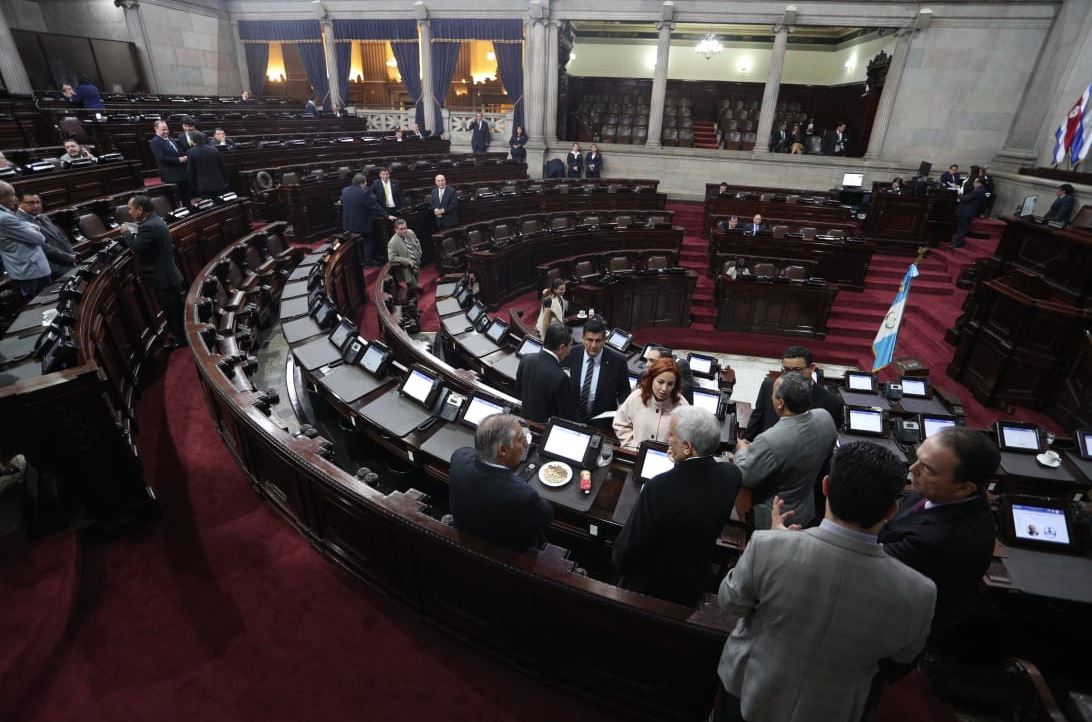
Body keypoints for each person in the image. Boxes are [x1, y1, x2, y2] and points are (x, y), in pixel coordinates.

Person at [712, 442, 936, 722]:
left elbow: (731, 601)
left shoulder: (768, 546)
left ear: (826, 486)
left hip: (749, 690)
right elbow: (902, 657)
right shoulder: (920, 592)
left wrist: (779, 539)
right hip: (833, 708)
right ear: (892, 510)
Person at [612, 406, 741, 607]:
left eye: (671, 435)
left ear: (688, 447)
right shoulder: (731, 476)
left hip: (650, 590)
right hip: (693, 584)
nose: (667, 438)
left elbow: (625, 554)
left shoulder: (659, 488)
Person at [879, 427, 998, 632]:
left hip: (900, 618)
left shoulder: (937, 541)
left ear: (964, 487)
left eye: (927, 468)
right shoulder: (944, 493)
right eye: (917, 459)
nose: (912, 468)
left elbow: (864, 563)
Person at [734, 372, 837, 530]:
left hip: (775, 517)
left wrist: (741, 450)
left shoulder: (770, 440)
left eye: (773, 394)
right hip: (806, 510)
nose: (771, 398)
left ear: (780, 403)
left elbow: (745, 475)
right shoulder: (825, 418)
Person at [448, 414, 553, 552]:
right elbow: (547, 514)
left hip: (465, 541)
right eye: (521, 440)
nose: (526, 444)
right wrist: (517, 481)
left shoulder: (459, 458)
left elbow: (470, 452)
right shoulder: (524, 495)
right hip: (510, 557)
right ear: (503, 450)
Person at [122, 194, 187, 349]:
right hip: (168, 274)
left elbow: (136, 247)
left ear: (140, 209)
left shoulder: (148, 226)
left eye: (131, 209)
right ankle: (181, 335)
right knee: (175, 309)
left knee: (172, 311)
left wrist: (125, 232)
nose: (129, 212)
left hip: (163, 277)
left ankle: (181, 339)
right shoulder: (155, 220)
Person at [742, 345, 844, 441]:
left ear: (812, 368)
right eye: (786, 370)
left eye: (798, 370)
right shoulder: (769, 387)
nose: (791, 376)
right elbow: (755, 424)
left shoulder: (831, 403)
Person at [562, 317, 631, 424]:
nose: (593, 345)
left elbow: (624, 390)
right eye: (589, 340)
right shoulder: (571, 354)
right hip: (572, 419)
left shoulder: (617, 361)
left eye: (598, 341)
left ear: (604, 340)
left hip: (603, 423)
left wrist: (622, 410)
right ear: (582, 339)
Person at [614, 357, 689, 450]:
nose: (664, 389)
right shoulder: (636, 397)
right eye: (660, 382)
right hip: (636, 454)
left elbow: (686, 438)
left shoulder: (682, 406)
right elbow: (620, 423)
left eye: (670, 384)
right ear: (652, 379)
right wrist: (633, 446)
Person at [515, 322, 578, 424]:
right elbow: (567, 416)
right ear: (562, 347)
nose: (570, 349)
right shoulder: (560, 377)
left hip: (524, 424)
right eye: (570, 345)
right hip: (544, 431)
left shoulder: (526, 359)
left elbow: (518, 389)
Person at [0, 181, 52, 299]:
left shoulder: (5, 214)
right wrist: (35, 228)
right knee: (44, 304)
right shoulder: (4, 218)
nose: (15, 199)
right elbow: (39, 238)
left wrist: (30, 227)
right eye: (12, 195)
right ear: (2, 198)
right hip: (31, 271)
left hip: (24, 270)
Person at [17, 192, 75, 278]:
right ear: (19, 204)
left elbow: (60, 237)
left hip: (65, 261)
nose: (36, 206)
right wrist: (69, 257)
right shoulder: (20, 222)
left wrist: (71, 252)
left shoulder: (42, 217)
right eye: (31, 203)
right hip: (50, 267)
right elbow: (44, 247)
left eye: (38, 202)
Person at [342, 173, 393, 266]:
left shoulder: (344, 190)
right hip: (362, 224)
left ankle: (358, 260)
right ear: (363, 182)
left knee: (355, 243)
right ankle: (368, 261)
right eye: (366, 182)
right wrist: (387, 215)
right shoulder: (363, 193)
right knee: (369, 240)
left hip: (349, 224)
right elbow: (374, 206)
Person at [149, 121, 191, 204]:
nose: (166, 132)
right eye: (163, 130)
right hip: (171, 176)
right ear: (156, 129)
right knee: (176, 200)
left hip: (182, 173)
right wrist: (179, 160)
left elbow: (179, 151)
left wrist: (185, 156)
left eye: (167, 129)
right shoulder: (155, 142)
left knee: (186, 197)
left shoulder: (171, 139)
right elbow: (162, 158)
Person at [185, 132, 228, 200]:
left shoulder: (190, 152)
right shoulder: (215, 150)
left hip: (203, 186)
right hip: (219, 184)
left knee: (210, 208)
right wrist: (225, 181)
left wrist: (193, 187)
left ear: (192, 141)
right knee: (222, 207)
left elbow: (190, 172)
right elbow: (222, 167)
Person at [952, 177, 987, 248]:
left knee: (961, 228)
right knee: (963, 228)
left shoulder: (977, 191)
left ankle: (958, 243)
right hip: (969, 211)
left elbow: (965, 199)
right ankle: (958, 241)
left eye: (975, 182)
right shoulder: (982, 190)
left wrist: (959, 194)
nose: (974, 183)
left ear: (979, 183)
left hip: (966, 211)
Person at [387, 218, 422, 291]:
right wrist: (407, 261)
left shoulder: (410, 232)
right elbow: (391, 258)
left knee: (416, 279)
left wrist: (419, 252)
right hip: (407, 268)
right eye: (401, 229)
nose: (404, 231)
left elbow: (417, 242)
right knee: (413, 287)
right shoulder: (393, 242)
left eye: (405, 228)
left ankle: (415, 288)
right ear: (395, 230)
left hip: (416, 263)